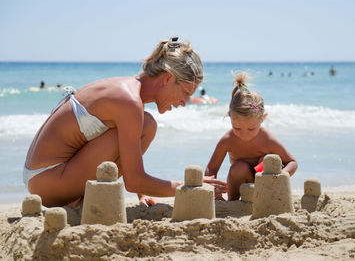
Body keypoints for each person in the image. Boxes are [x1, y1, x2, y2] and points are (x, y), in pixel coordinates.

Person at [23, 37, 227, 208]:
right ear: (166, 79)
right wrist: (188, 186)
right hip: (47, 182)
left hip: (42, 178)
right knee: (146, 125)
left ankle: (78, 198)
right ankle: (75, 200)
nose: (184, 102)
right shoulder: (128, 101)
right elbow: (134, 180)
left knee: (146, 124)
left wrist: (141, 194)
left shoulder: (126, 89)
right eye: (185, 92)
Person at [205, 72, 298, 201]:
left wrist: (282, 175)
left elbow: (292, 162)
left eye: (251, 128)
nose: (244, 133)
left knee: (266, 160)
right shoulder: (228, 140)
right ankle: (233, 202)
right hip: (241, 182)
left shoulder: (267, 139)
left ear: (262, 118)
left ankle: (265, 200)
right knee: (239, 168)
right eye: (237, 128)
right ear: (230, 116)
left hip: (267, 184)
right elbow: (212, 168)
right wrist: (214, 190)